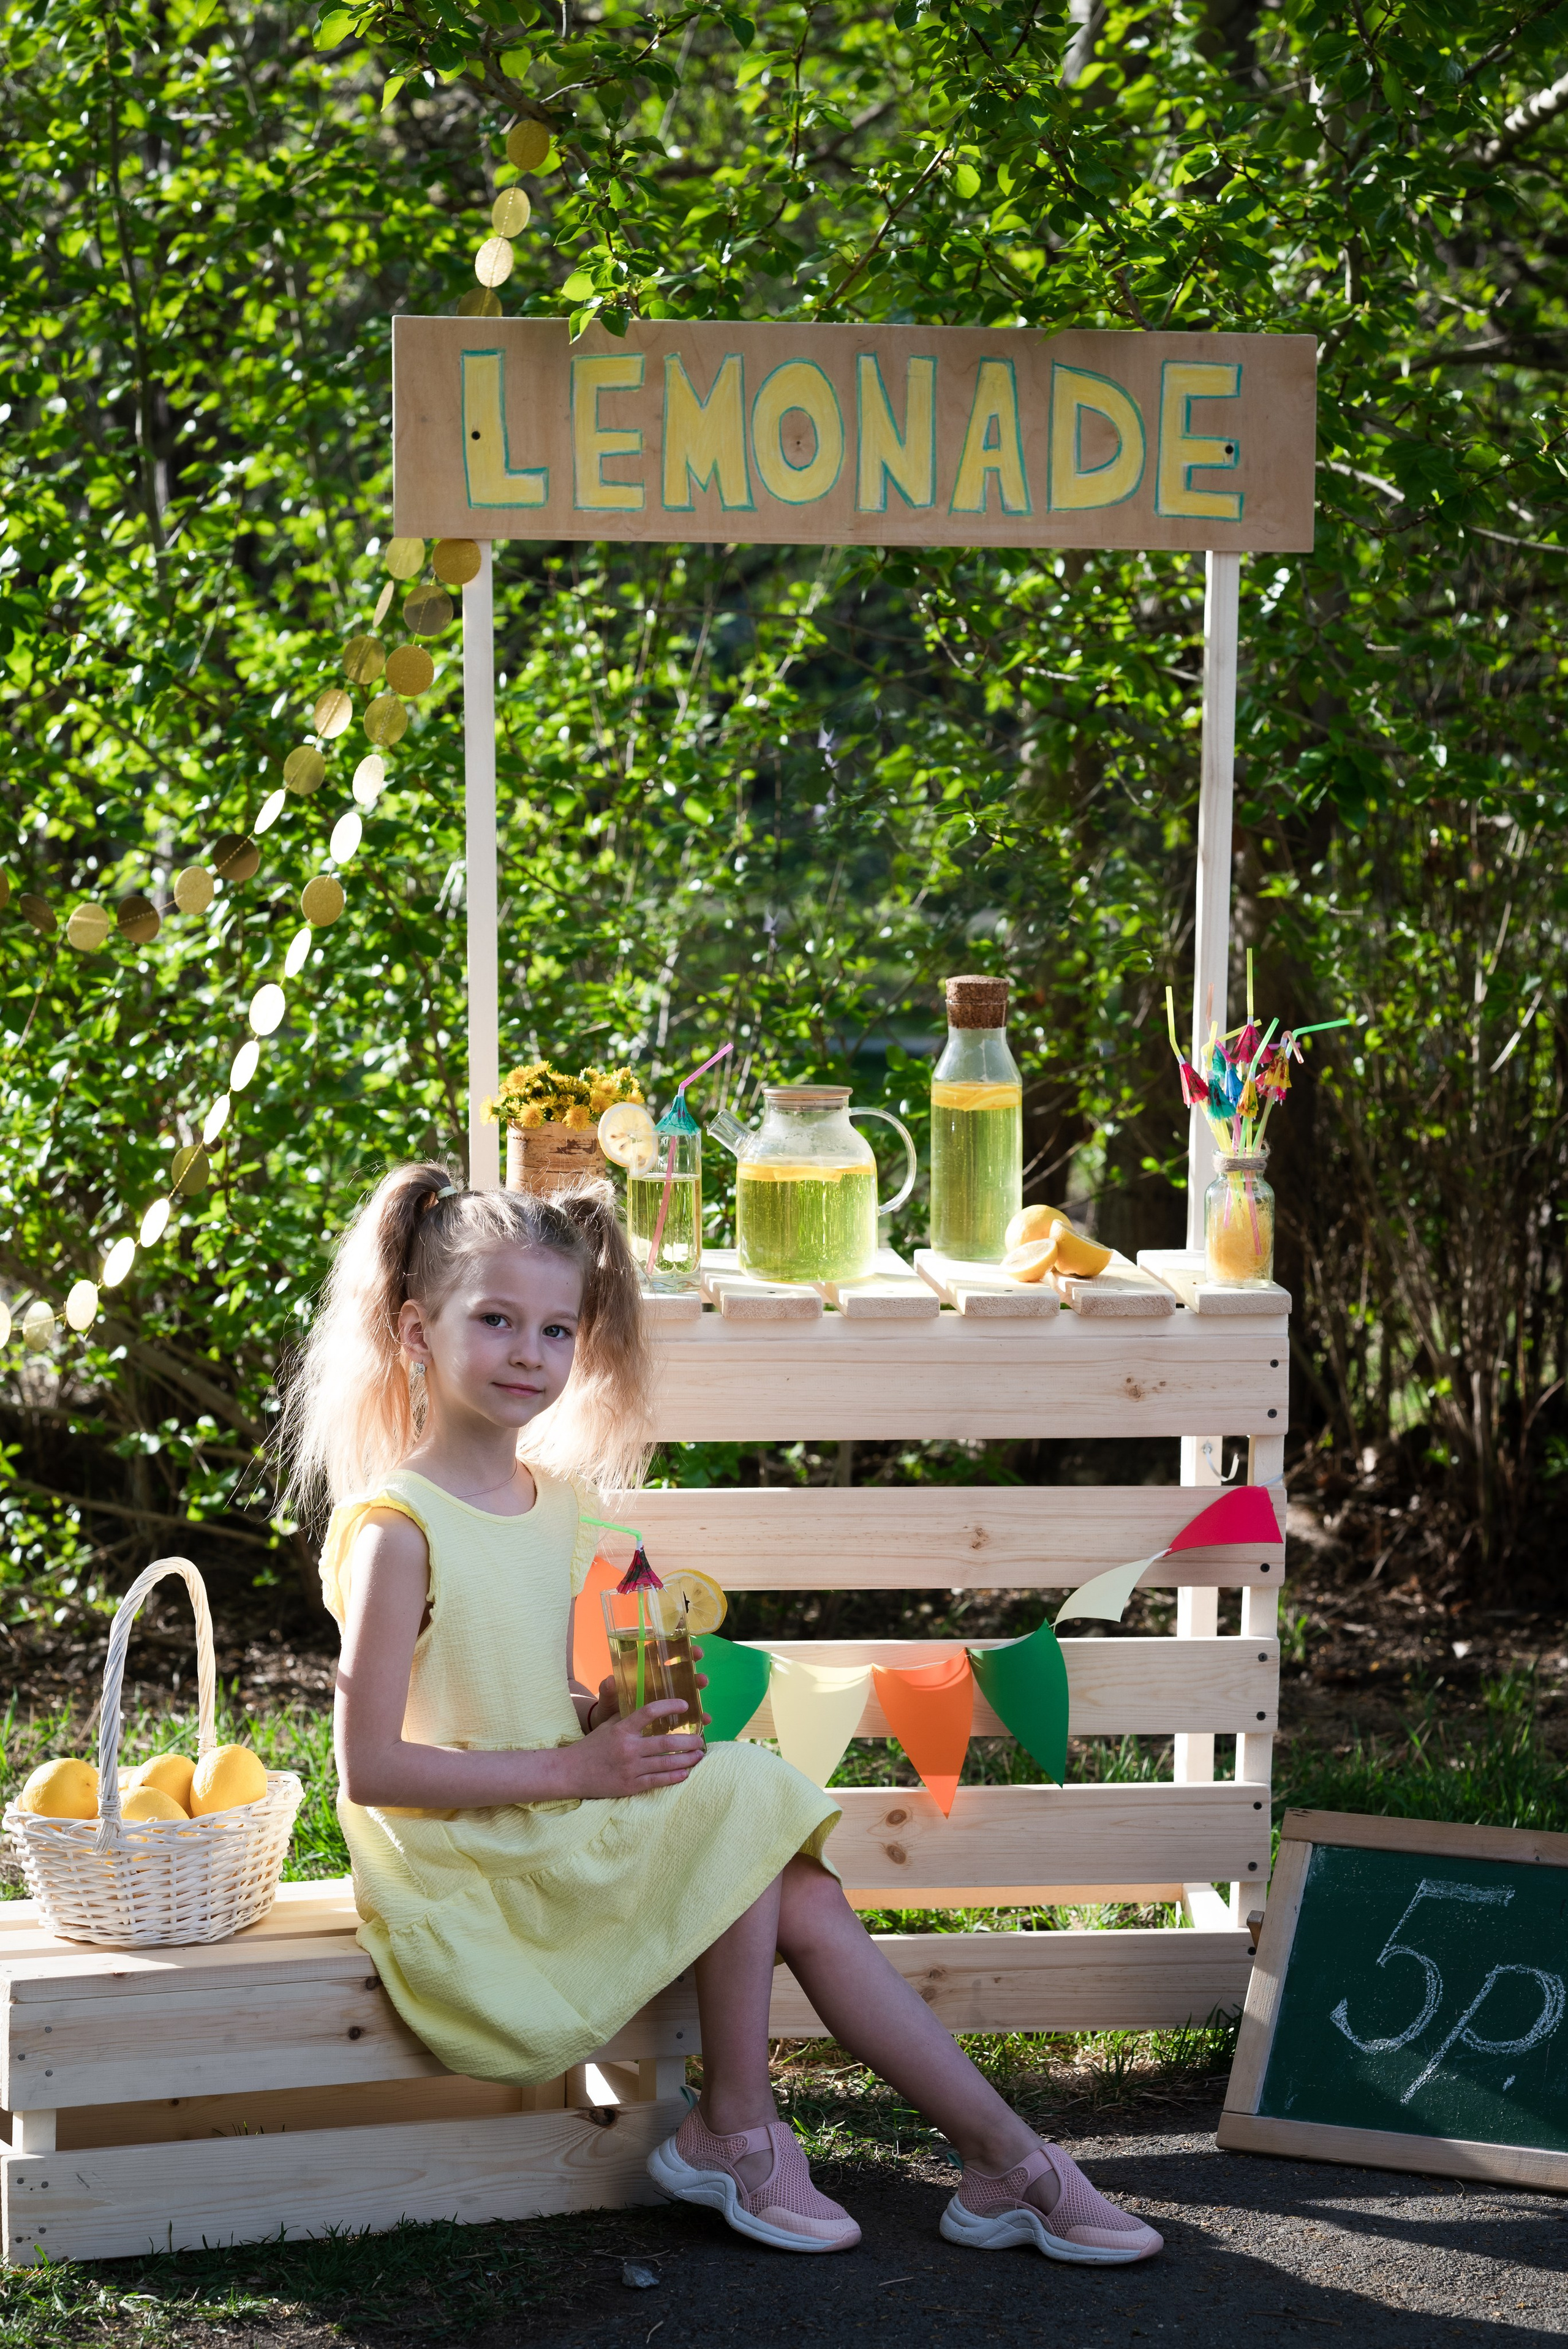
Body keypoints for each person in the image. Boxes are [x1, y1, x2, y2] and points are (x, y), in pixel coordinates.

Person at [282, 1162, 1161, 2265]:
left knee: (750, 1820)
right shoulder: (395, 1528)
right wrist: (581, 1773)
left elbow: (525, 1697)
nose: (529, 1354)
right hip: (462, 1878)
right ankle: (891, 2149)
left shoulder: (556, 1509)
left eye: (557, 1331)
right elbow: (370, 1768)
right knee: (751, 1809)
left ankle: (967, 2156)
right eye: (496, 1320)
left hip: (537, 1824)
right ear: (417, 1330)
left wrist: (608, 1714)